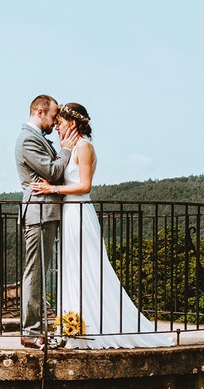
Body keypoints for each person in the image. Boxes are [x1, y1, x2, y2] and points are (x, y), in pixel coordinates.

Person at [32, 103, 175, 348]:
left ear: (73, 123)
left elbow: (85, 185)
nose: (57, 126)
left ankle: (96, 326)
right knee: (71, 267)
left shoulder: (85, 147)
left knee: (88, 266)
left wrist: (52, 188)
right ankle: (72, 326)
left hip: (79, 212)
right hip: (68, 213)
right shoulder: (68, 148)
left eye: (61, 122)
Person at [15, 94, 77, 347]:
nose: (54, 122)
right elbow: (52, 171)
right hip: (39, 212)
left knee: (40, 271)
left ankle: (36, 330)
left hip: (47, 211)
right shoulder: (28, 139)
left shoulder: (36, 137)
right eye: (52, 116)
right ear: (39, 112)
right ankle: (30, 332)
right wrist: (66, 150)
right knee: (35, 272)